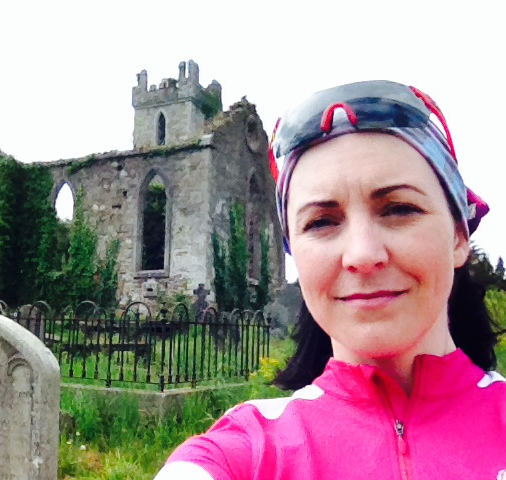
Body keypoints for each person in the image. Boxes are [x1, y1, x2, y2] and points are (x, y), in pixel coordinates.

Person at [154, 80, 506, 479]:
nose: (362, 255)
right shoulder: (243, 454)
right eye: (321, 222)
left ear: (459, 235)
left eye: (399, 209)